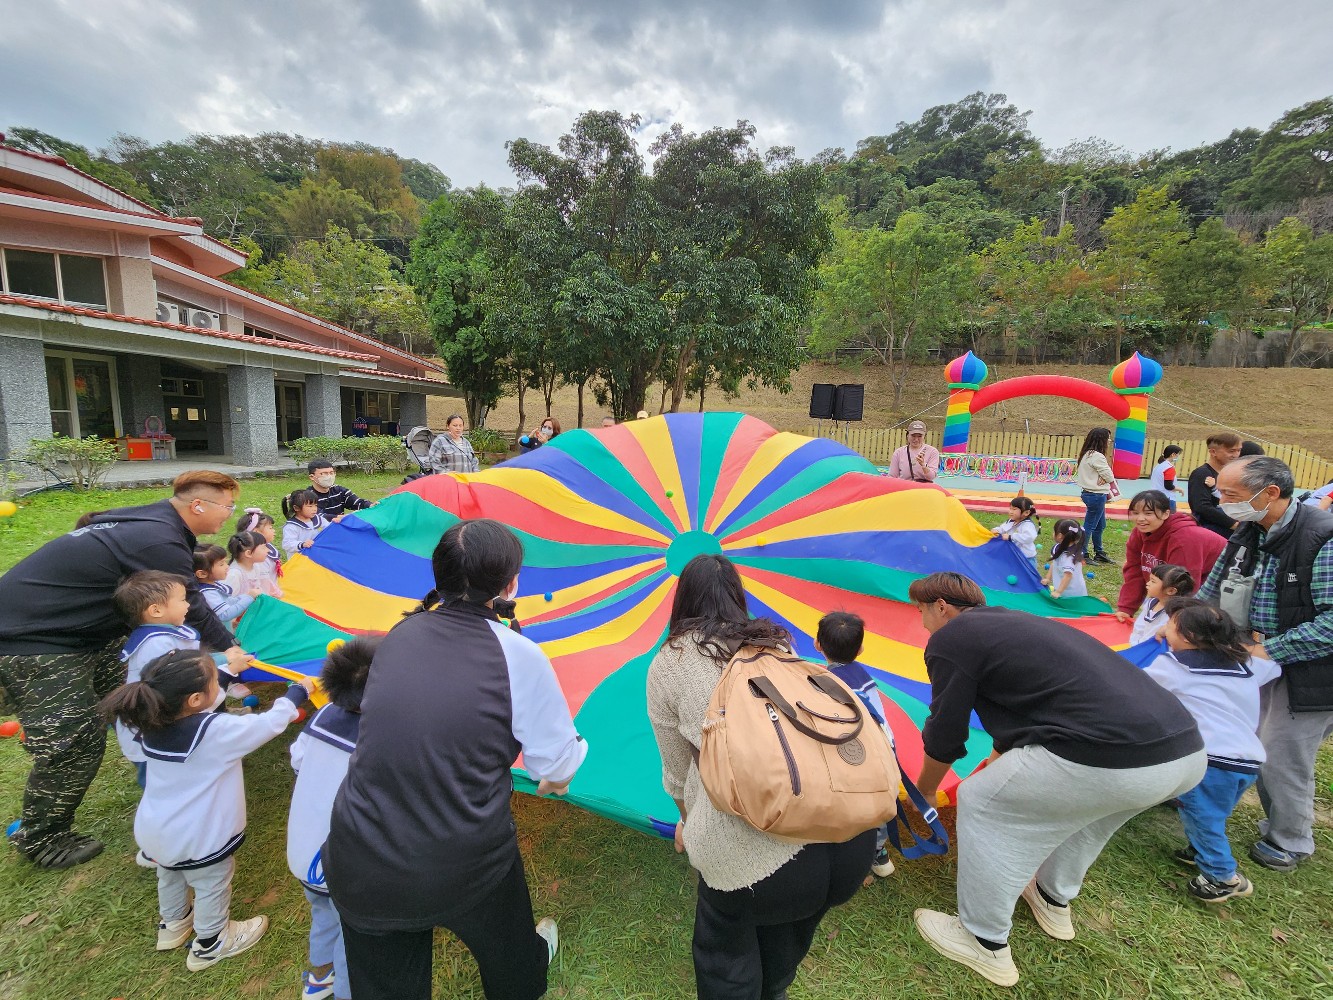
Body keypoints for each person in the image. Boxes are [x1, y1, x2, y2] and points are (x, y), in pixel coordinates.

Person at [326, 519, 585, 1000]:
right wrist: (556, 776)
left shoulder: (399, 634)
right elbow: (557, 767)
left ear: (439, 576)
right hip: (467, 855)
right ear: (510, 585)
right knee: (512, 962)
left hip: (362, 851)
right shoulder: (519, 656)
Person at [906, 572, 1205, 988]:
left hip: (1109, 755)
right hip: (1183, 753)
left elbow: (945, 732)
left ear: (940, 607)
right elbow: (1033, 702)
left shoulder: (951, 638)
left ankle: (982, 940)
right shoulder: (1015, 621)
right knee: (1089, 819)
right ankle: (1051, 896)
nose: (921, 621)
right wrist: (997, 756)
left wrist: (923, 791)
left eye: (920, 610)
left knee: (983, 802)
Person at [646, 554, 875, 1000]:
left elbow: (676, 771)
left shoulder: (669, 664)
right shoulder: (776, 644)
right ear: (737, 596)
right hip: (847, 841)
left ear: (682, 599)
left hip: (753, 865)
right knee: (782, 948)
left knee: (727, 959)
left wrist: (689, 822)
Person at [0, 470, 239, 869]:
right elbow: (192, 605)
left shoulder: (155, 521)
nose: (229, 515)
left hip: (89, 634)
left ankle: (177, 756)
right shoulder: (159, 538)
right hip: (35, 639)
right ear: (198, 506)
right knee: (75, 739)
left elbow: (94, 520)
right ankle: (43, 837)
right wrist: (229, 647)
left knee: (156, 692)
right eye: (228, 507)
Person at [99, 650, 313, 970]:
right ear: (195, 698)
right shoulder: (217, 732)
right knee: (212, 882)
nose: (218, 683)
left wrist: (227, 673)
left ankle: (173, 924)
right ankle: (211, 942)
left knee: (170, 874)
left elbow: (200, 707)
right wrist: (296, 693)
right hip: (199, 835)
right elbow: (268, 724)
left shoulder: (152, 718)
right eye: (214, 680)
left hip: (156, 829)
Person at [1197, 455, 1333, 873]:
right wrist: (1186, 624)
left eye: (1230, 495)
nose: (1222, 503)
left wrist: (1272, 649)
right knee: (1242, 735)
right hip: (1256, 654)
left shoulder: (1321, 537)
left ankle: (1290, 839)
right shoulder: (1248, 530)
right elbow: (1213, 590)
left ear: (1270, 493)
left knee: (1281, 749)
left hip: (1312, 665)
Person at [1146, 600, 1280, 902]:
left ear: (1189, 636)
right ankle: (1199, 849)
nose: (1165, 630)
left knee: (1202, 815)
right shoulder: (1245, 665)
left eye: (1170, 626)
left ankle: (1221, 876)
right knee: (1211, 814)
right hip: (1246, 760)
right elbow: (1273, 665)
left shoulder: (1174, 666)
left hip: (1213, 760)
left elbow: (1140, 684)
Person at [287, 635, 381, 1000]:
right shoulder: (380, 737)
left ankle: (319, 977)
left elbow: (298, 759)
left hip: (304, 853)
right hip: (345, 865)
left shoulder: (324, 714)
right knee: (351, 937)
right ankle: (346, 990)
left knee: (323, 913)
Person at [112, 571, 248, 790]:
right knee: (164, 784)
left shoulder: (167, 633)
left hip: (169, 721)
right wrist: (226, 662)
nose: (188, 605)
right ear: (156, 610)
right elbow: (184, 670)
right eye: (183, 600)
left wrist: (224, 657)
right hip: (153, 733)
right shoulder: (155, 644)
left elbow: (188, 659)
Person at [814, 610, 896, 881]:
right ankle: (879, 854)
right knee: (877, 804)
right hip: (883, 751)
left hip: (856, 756)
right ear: (860, 649)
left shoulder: (826, 683)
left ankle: (853, 855)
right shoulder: (863, 675)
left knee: (852, 804)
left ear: (817, 644)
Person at [1114, 490, 1226, 625]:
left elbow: (1185, 585)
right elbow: (1135, 571)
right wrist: (1126, 608)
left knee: (1199, 623)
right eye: (1135, 513)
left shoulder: (1183, 539)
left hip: (1222, 576)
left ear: (1166, 513)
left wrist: (1172, 621)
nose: (1140, 519)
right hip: (1187, 577)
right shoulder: (1139, 533)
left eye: (1148, 513)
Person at [1188, 432, 1243, 539]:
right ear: (1213, 452)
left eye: (1239, 450)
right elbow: (1201, 507)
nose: (1236, 455)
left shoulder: (1230, 474)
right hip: (1210, 532)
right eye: (1231, 451)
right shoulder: (1202, 474)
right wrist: (1233, 524)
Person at [1074, 427, 1115, 563]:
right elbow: (1109, 476)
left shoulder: (1087, 454)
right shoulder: (1097, 456)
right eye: (1108, 438)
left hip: (1090, 494)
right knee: (1090, 525)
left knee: (1100, 525)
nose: (1109, 441)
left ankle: (1099, 552)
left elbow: (1104, 474)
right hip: (1096, 495)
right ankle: (1082, 553)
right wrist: (1105, 477)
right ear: (1101, 439)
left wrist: (1103, 476)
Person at [1127, 564, 1195, 645]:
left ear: (1171, 591)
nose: (1148, 583)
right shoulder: (1151, 602)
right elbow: (1139, 626)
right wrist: (1134, 642)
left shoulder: (1172, 615)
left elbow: (1153, 637)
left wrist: (1137, 646)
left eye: (1153, 581)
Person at [194, 545, 259, 627]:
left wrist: (246, 597)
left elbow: (228, 601)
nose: (227, 566)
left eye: (225, 562)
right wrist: (249, 597)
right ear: (202, 574)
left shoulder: (213, 585)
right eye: (221, 564)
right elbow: (225, 614)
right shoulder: (207, 593)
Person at [307, 460, 374, 522]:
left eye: (331, 473)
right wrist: (340, 517)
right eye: (323, 474)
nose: (329, 476)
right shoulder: (307, 497)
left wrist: (370, 505)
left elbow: (356, 502)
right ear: (312, 477)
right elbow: (317, 516)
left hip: (340, 527)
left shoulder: (339, 490)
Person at [225, 531, 282, 599]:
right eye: (264, 547)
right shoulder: (234, 575)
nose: (268, 550)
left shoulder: (256, 566)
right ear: (248, 553)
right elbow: (226, 601)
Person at [1043, 519, 1087, 600]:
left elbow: (1068, 575)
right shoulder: (1059, 548)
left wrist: (1058, 592)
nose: (1053, 533)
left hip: (1073, 594)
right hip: (1063, 589)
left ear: (1059, 535)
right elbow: (1054, 563)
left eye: (1054, 531)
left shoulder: (1068, 557)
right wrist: (1048, 578)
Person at [235, 508, 282, 579]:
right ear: (256, 532)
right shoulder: (258, 556)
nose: (274, 530)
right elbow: (263, 581)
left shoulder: (267, 547)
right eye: (270, 528)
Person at [281, 489, 329, 558]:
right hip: (299, 561)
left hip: (317, 558)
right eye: (310, 506)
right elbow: (287, 544)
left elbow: (329, 529)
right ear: (296, 508)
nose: (314, 509)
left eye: (315, 505)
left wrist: (336, 523)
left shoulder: (319, 519)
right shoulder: (291, 526)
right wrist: (302, 544)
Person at [992, 497, 1040, 564]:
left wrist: (1010, 537)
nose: (1011, 512)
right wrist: (996, 530)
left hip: (1026, 559)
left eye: (1014, 509)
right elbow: (1003, 528)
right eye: (1010, 508)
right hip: (1014, 556)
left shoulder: (1027, 525)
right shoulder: (1011, 521)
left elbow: (1029, 537)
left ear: (1026, 512)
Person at [1149, 445, 1184, 510]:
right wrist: (1180, 489)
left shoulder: (1158, 466)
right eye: (1178, 454)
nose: (1178, 456)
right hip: (1166, 498)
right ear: (1173, 454)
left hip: (1154, 496)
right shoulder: (1169, 468)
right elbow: (1168, 486)